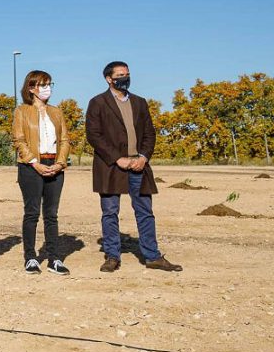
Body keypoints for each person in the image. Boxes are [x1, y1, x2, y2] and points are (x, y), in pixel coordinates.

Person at [85, 61, 182, 273]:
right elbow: (94, 135)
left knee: (145, 211)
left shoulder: (140, 102)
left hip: (139, 165)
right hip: (111, 166)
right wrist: (117, 158)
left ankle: (152, 256)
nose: (124, 78)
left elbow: (150, 133)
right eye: (120, 74)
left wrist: (144, 157)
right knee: (110, 212)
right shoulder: (98, 103)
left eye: (127, 74)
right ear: (109, 79)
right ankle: (112, 256)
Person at [12, 70, 71, 275]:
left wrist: (60, 163)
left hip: (54, 164)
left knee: (51, 214)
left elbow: (64, 139)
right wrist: (34, 162)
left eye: (49, 84)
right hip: (30, 166)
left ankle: (54, 258)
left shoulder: (57, 112)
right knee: (32, 213)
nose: (47, 88)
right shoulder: (22, 111)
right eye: (43, 84)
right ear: (31, 88)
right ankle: (30, 258)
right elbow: (18, 140)